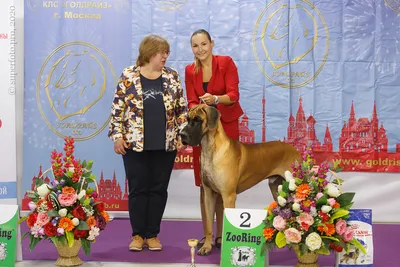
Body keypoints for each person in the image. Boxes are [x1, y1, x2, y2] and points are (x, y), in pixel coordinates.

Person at [108, 35, 187, 252]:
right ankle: (137, 235)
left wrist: (182, 135)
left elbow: (181, 111)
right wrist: (117, 136)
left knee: (158, 190)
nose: (165, 56)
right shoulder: (128, 75)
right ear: (149, 52)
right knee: (138, 189)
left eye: (167, 53)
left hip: (165, 145)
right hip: (134, 146)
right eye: (162, 52)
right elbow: (117, 110)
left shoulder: (172, 76)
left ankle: (152, 234)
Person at [184, 29, 243, 249]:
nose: (199, 49)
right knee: (206, 185)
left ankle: (224, 235)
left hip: (226, 127)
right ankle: (208, 236)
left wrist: (215, 99)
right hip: (202, 132)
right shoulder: (190, 70)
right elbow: (190, 102)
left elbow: (233, 95)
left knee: (226, 185)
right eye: (195, 46)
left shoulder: (226, 63)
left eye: (203, 44)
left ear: (212, 43)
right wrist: (199, 109)